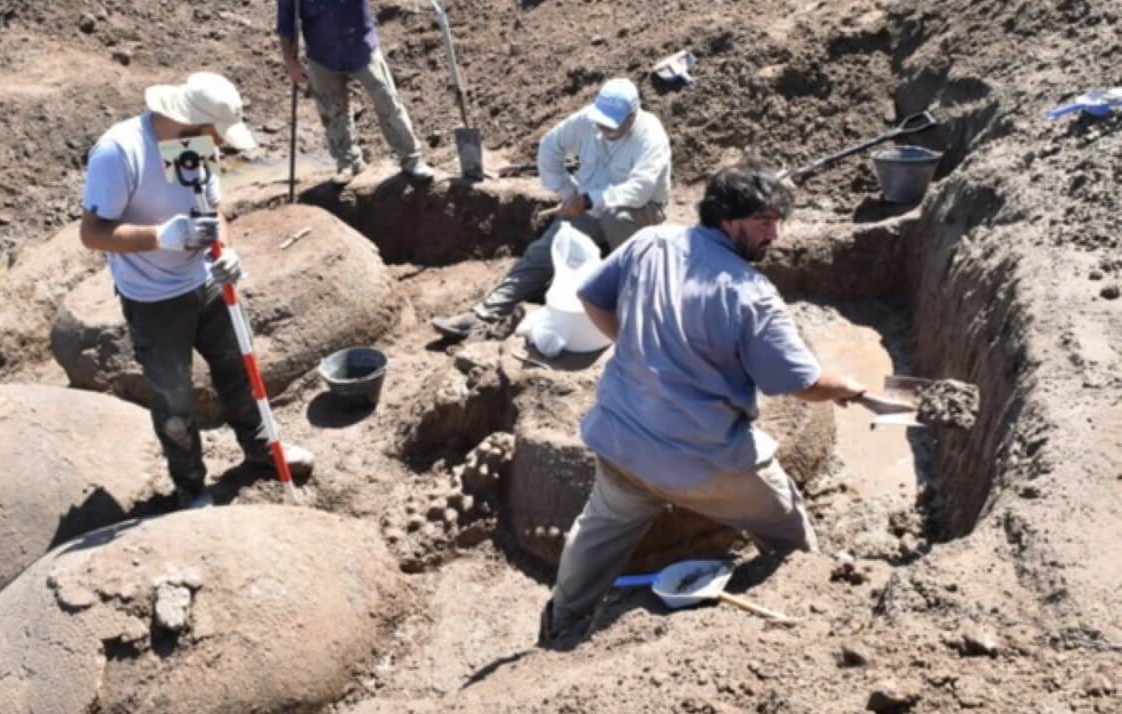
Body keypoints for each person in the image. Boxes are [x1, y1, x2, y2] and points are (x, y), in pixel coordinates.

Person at [538, 161, 866, 647]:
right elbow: (802, 383)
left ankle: (562, 620)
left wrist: (632, 344)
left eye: (778, 221)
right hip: (706, 461)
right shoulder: (751, 293)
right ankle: (812, 608)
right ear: (728, 220)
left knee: (597, 533)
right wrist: (849, 388)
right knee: (787, 527)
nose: (775, 234)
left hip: (623, 440)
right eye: (764, 221)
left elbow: (592, 295)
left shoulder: (652, 242)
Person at [78, 72, 314, 508]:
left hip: (205, 281)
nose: (220, 144)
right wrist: (160, 237)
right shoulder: (120, 152)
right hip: (152, 298)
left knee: (239, 370)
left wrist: (226, 248)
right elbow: (92, 233)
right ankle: (190, 485)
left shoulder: (193, 143)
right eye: (217, 134)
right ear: (192, 121)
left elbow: (213, 209)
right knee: (174, 398)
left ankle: (262, 449)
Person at [431, 78, 670, 339]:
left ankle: (639, 293)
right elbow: (549, 147)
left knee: (615, 217)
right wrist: (568, 192)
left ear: (632, 116)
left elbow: (639, 191)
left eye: (611, 124)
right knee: (544, 250)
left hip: (639, 212)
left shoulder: (651, 136)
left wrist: (588, 200)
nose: (603, 128)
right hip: (590, 207)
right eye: (601, 122)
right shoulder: (587, 120)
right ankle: (483, 314)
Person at [277, 0, 434, 185]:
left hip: (362, 47)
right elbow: (286, 23)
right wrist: (291, 62)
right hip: (322, 55)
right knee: (332, 112)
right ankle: (348, 163)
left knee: (387, 100)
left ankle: (411, 159)